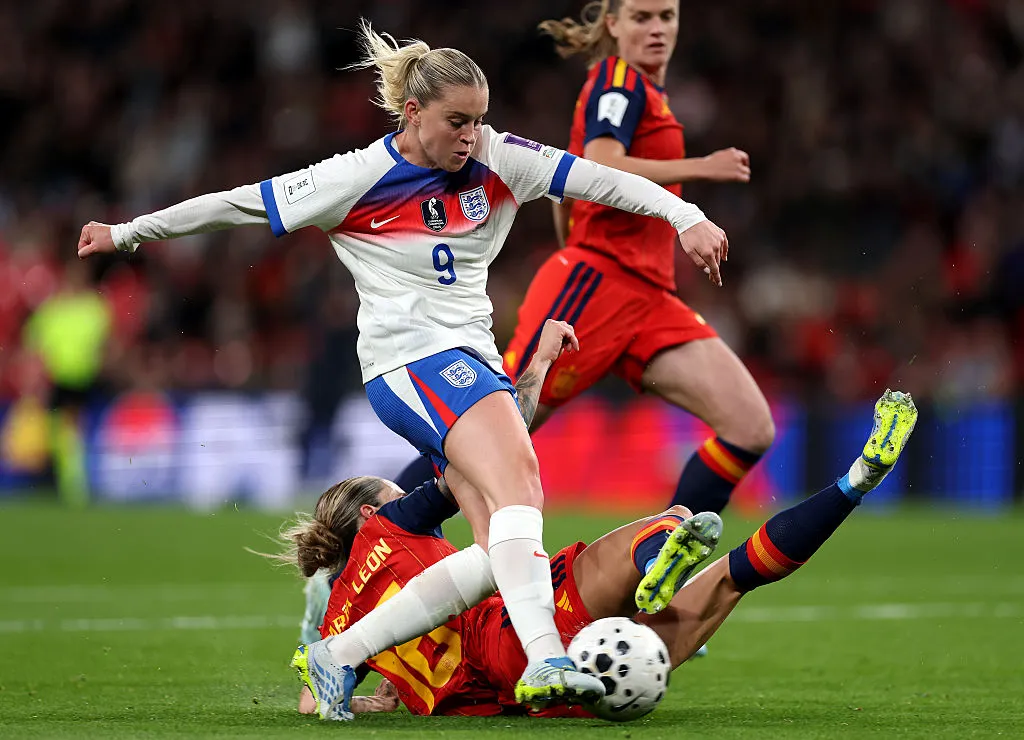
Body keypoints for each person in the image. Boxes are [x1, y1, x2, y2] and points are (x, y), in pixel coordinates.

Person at [78, 18, 729, 714]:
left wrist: (683, 214)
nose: (470, 137)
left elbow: (598, 179)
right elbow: (238, 203)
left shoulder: (499, 159)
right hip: (410, 363)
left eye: (478, 121)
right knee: (522, 483)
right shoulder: (356, 177)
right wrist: (127, 232)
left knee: (490, 553)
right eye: (456, 122)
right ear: (413, 113)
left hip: (473, 362)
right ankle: (547, 659)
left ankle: (336, 656)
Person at [284, 389, 918, 719]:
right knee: (691, 550)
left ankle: (658, 580)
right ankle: (853, 482)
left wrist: (373, 699)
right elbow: (461, 465)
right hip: (510, 635)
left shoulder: (344, 618)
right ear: (370, 514)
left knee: (718, 585)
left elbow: (313, 701)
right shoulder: (388, 526)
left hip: (514, 700)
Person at [497, 0, 774, 518]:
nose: (656, 28)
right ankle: (370, 538)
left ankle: (661, 555)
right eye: (642, 16)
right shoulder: (616, 79)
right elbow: (600, 163)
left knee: (749, 426)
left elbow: (570, 181)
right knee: (494, 429)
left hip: (649, 298)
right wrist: (703, 167)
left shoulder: (648, 94)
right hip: (598, 283)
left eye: (666, 16)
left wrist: (569, 229)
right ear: (613, 24)